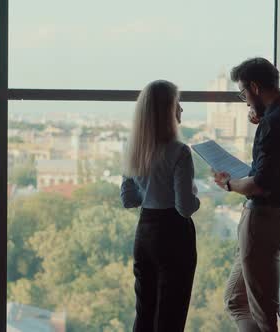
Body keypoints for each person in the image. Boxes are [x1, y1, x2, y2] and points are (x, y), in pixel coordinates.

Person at [214, 57, 280, 332]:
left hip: (263, 221)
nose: (245, 101)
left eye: (244, 93)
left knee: (265, 315)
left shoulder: (274, 123)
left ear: (256, 87)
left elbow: (258, 184)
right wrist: (264, 117)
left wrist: (228, 184)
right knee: (236, 300)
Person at [121, 80, 200, 332]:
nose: (181, 109)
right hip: (174, 234)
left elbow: (128, 199)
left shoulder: (133, 148)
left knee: (144, 311)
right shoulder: (179, 152)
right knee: (171, 315)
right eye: (178, 103)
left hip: (145, 232)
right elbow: (185, 207)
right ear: (167, 109)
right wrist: (196, 195)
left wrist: (150, 191)